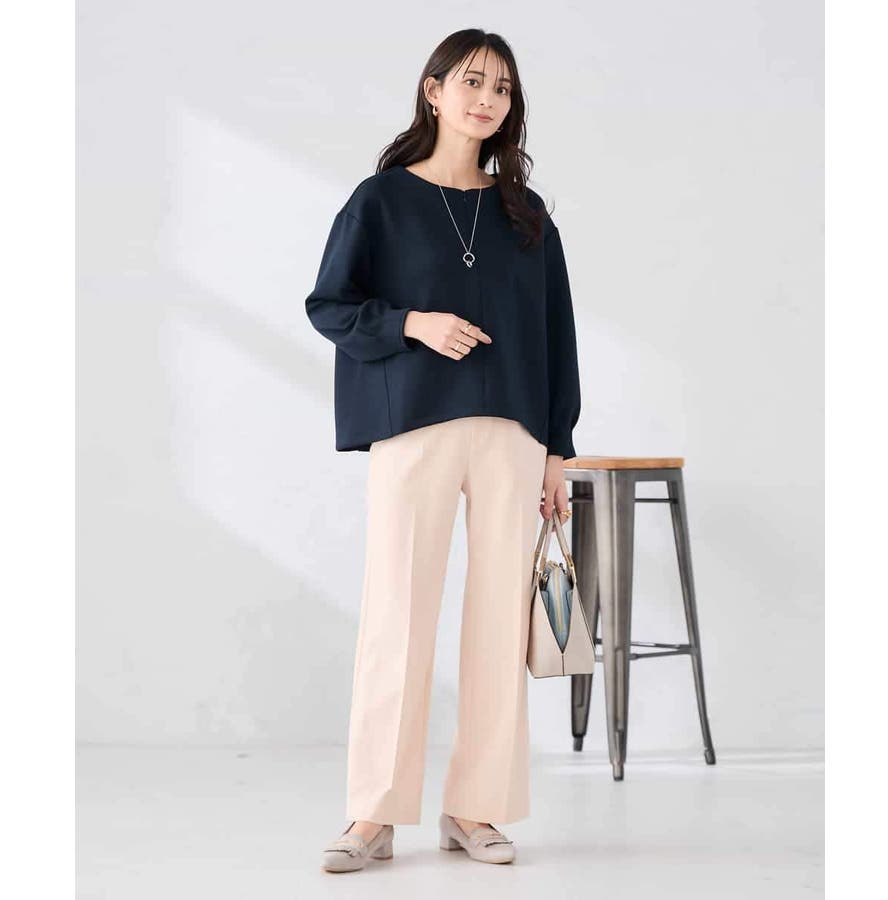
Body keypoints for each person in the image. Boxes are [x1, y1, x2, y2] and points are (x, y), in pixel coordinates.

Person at [305, 29, 581, 872]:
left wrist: (558, 451)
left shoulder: (526, 215)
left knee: (498, 621)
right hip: (415, 425)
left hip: (513, 433)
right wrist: (411, 324)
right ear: (433, 90)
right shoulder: (381, 201)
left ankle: (477, 808)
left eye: (502, 88)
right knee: (397, 614)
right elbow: (329, 304)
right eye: (472, 81)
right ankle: (374, 814)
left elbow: (557, 335)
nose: (487, 98)